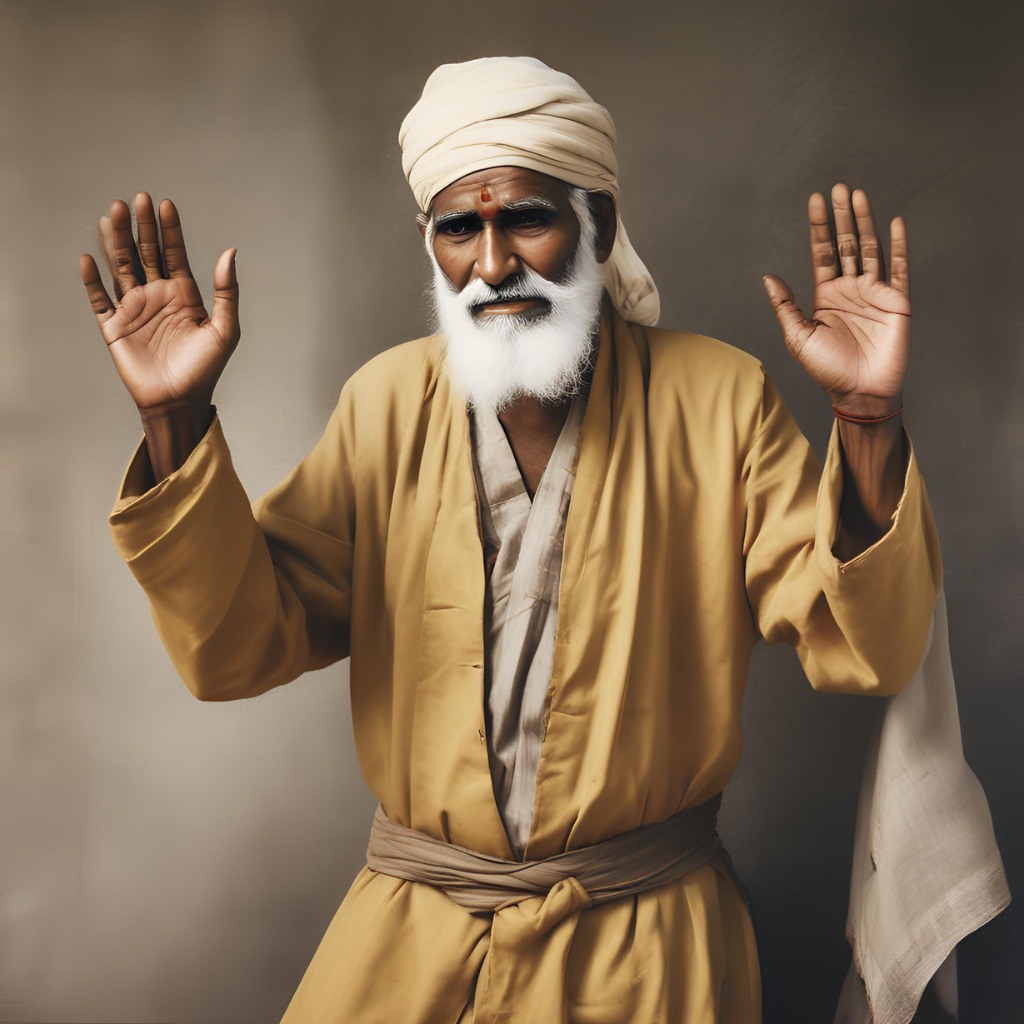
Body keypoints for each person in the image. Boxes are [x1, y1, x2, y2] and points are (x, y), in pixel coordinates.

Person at [82, 57, 943, 1023]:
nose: (494, 264)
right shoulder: (385, 403)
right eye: (461, 228)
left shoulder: (719, 400)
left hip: (647, 947)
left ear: (600, 225)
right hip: (416, 938)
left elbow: (862, 645)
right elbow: (237, 647)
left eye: (526, 218)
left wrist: (866, 422)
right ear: (432, 245)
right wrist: (178, 422)